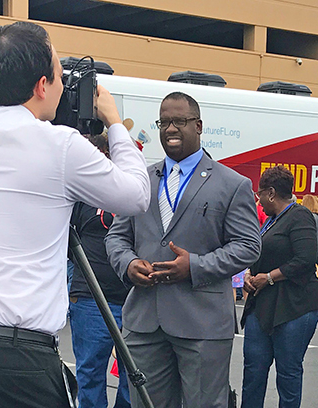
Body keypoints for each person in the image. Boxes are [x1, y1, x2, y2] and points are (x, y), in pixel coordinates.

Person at [0, 21, 151, 408]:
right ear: (41, 86)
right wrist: (115, 122)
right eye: (58, 76)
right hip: (15, 357)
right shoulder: (60, 146)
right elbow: (137, 195)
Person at [104, 91, 261, 408]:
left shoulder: (232, 184)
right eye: (164, 122)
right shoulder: (140, 180)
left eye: (179, 121)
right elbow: (116, 237)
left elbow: (248, 246)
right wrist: (128, 263)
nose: (170, 129)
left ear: (199, 126)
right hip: (145, 322)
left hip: (202, 324)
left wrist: (197, 266)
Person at [240, 166, 318, 408]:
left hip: (294, 305)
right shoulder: (270, 221)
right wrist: (249, 273)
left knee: (288, 374)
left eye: (259, 194)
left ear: (271, 193)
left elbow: (306, 259)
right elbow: (258, 254)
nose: (258, 200)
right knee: (253, 371)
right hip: (263, 304)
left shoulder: (299, 215)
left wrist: (268, 277)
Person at [68, 132, 132, 408]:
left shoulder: (131, 192)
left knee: (134, 374)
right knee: (90, 373)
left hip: (132, 299)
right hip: (90, 299)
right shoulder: (81, 194)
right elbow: (67, 238)